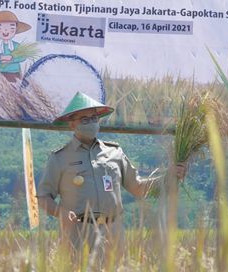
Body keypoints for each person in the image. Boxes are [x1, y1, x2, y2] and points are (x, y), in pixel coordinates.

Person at [37, 92, 185, 251]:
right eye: (84, 120)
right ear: (72, 125)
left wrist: (168, 176)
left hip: (113, 232)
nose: (90, 123)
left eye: (94, 118)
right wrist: (60, 213)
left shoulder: (115, 152)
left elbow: (138, 188)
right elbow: (43, 197)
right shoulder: (60, 158)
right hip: (77, 233)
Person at [0, 10, 31, 82]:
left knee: (14, 90)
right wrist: (0, 57)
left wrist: (12, 58)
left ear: (16, 29)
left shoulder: (16, 45)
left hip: (14, 73)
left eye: (11, 28)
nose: (5, 31)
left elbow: (23, 57)